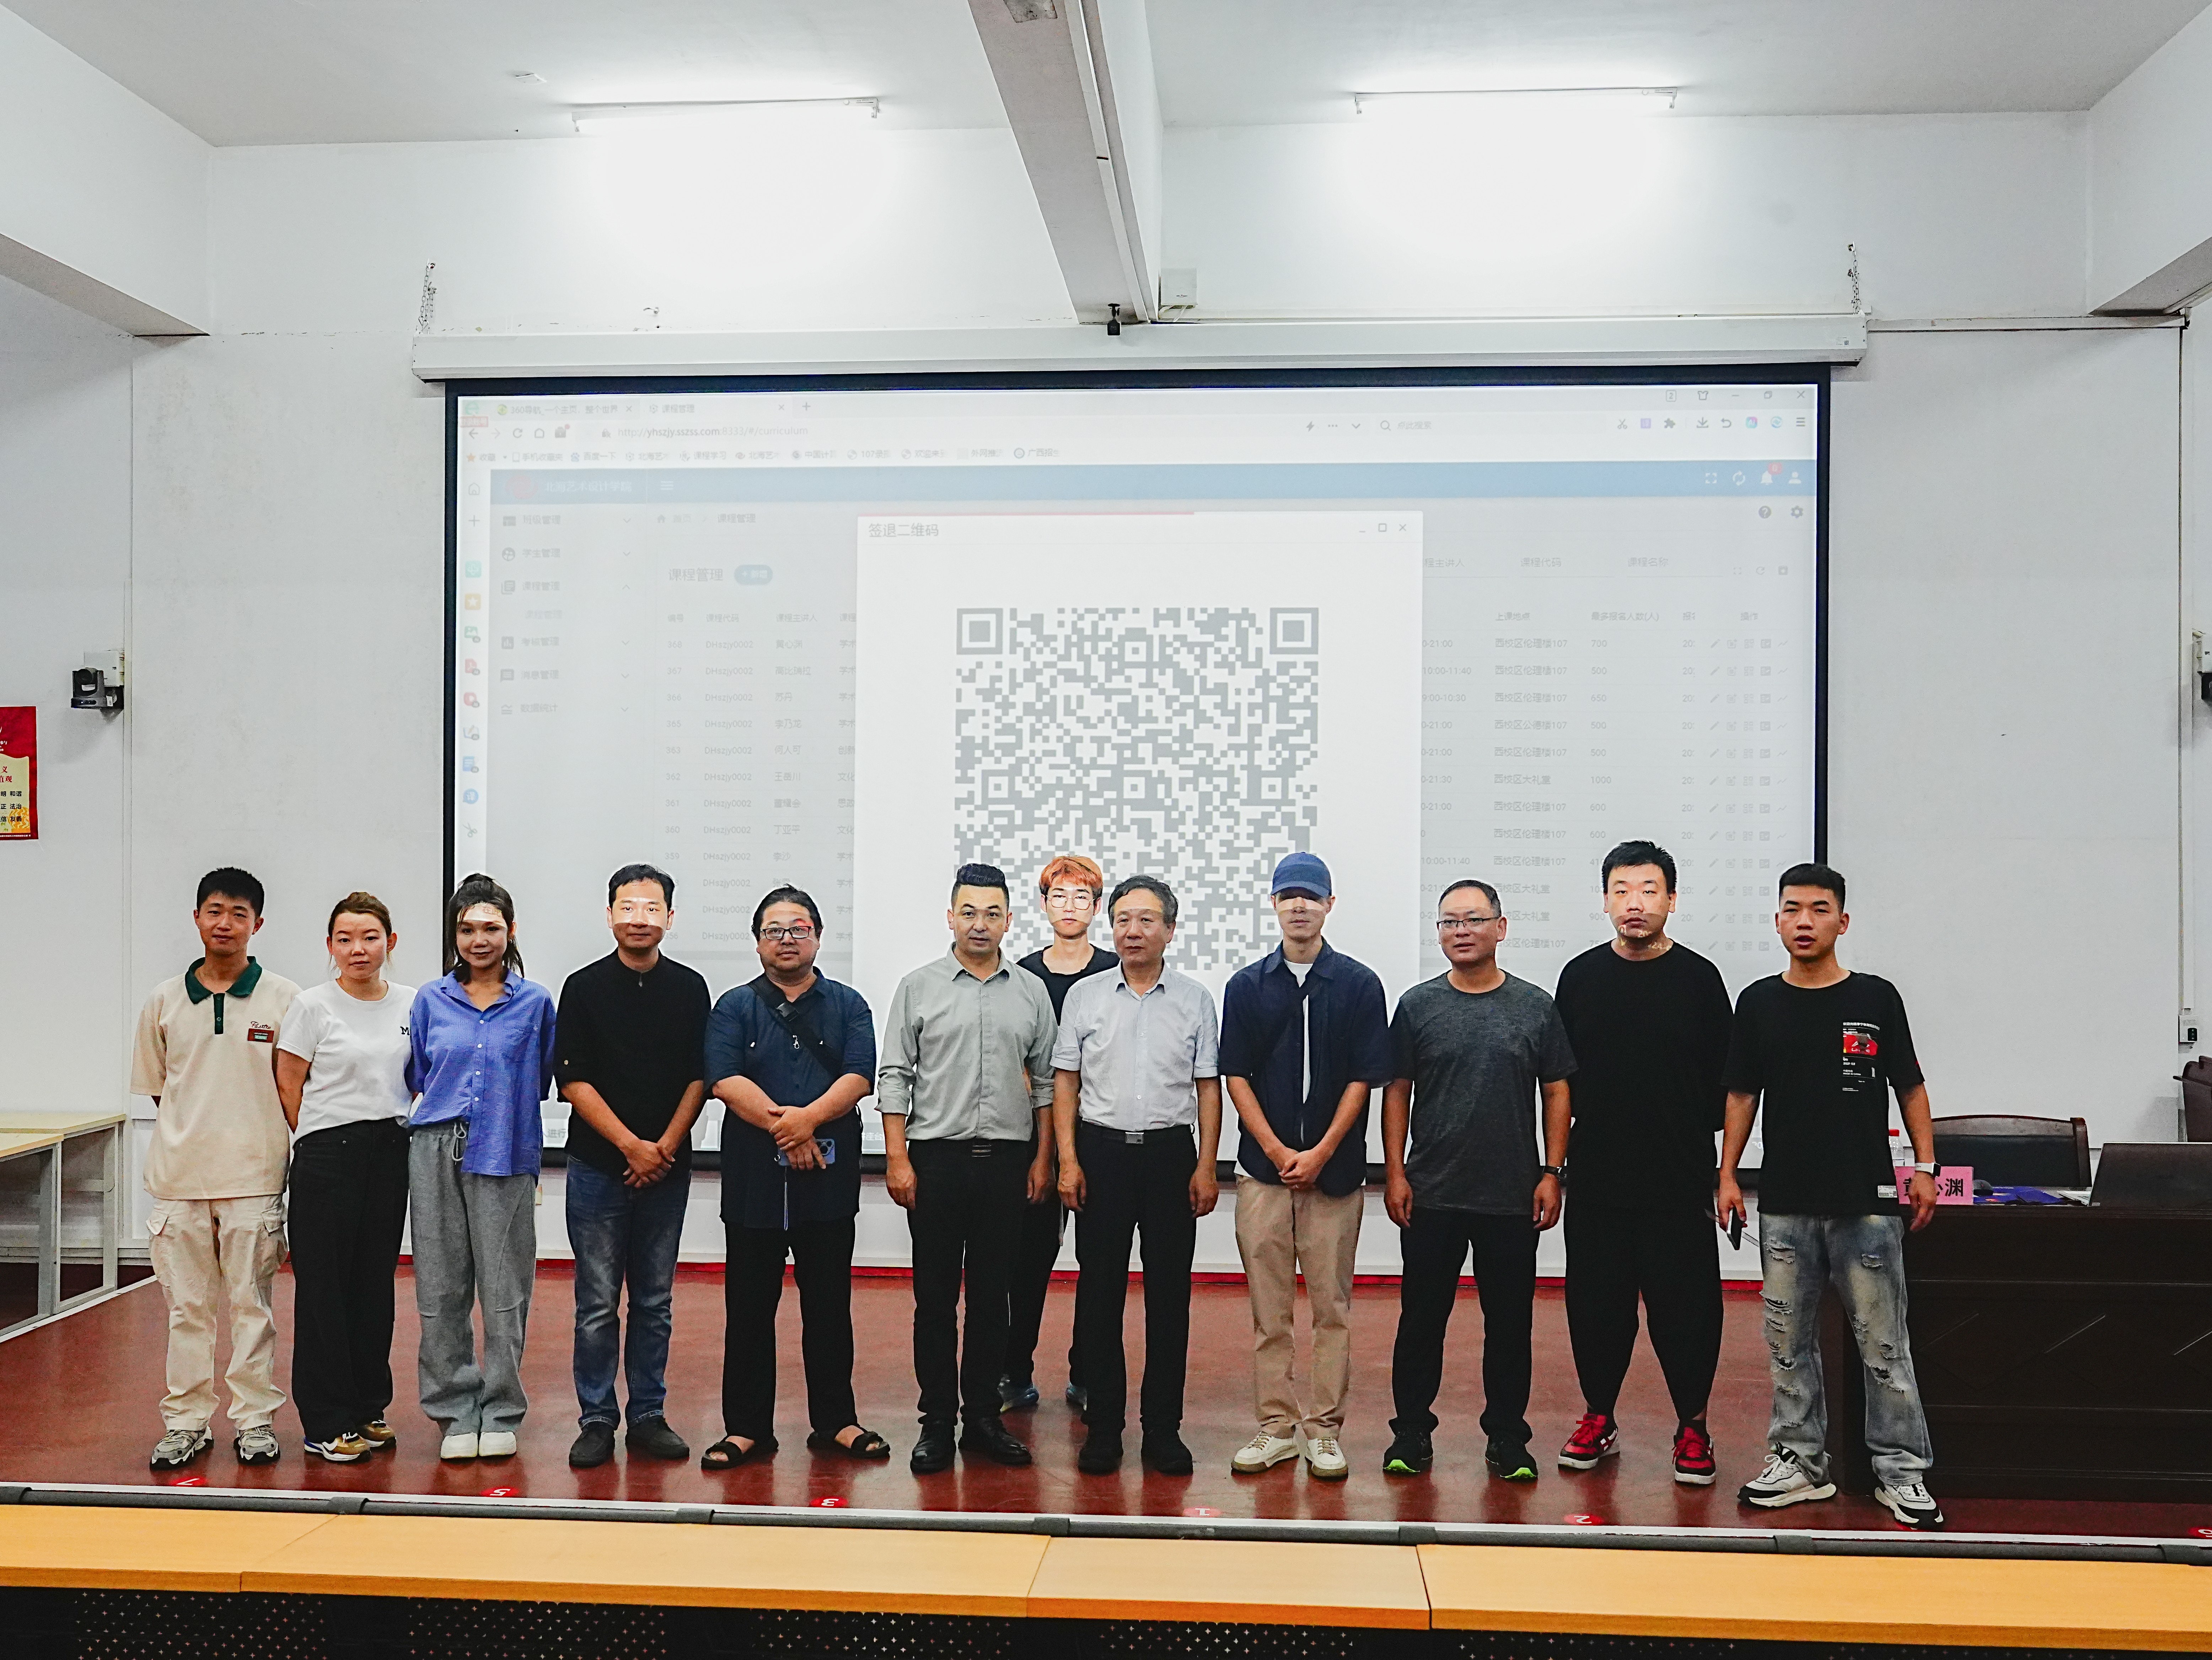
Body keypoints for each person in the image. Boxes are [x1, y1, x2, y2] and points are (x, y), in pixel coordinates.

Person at [1717, 862, 1945, 1530]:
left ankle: (1901, 1472)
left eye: (1820, 909)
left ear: (1842, 922)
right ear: (1777, 921)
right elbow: (1741, 1095)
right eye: (1793, 909)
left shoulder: (1876, 997)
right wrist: (1727, 1174)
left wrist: (1926, 1165)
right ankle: (1800, 1461)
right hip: (1785, 1203)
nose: (1805, 921)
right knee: (1787, 1345)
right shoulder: (1759, 1002)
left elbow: (1910, 1086)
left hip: (1866, 1203)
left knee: (1884, 1347)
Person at [1382, 878, 1575, 1483]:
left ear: (1501, 927)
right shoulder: (1417, 1006)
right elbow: (1397, 1092)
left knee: (1510, 1326)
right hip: (1432, 1193)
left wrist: (1552, 1172)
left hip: (1511, 1196)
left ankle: (1508, 1439)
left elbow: (1557, 1090)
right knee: (1421, 1322)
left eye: (1472, 919)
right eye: (1449, 922)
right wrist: (1395, 1172)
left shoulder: (1535, 1006)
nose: (1460, 931)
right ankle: (1411, 1433)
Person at [1552, 841, 1734, 1485]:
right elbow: (1560, 1083)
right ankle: (1599, 1416)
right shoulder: (1579, 977)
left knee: (1688, 1310)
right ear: (1605, 900)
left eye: (1650, 890)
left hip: (1679, 1179)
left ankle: (1694, 1426)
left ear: (1672, 901)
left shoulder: (1701, 980)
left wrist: (1721, 1170)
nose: (1635, 903)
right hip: (1598, 1177)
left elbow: (1727, 1086)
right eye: (1622, 890)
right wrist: (1553, 1168)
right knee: (1595, 1307)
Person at [878, 863, 1059, 1474]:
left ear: (1009, 921)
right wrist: (897, 1158)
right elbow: (895, 1076)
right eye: (969, 913)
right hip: (936, 1162)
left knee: (992, 1300)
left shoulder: (1031, 992)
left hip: (1008, 1164)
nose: (980, 924)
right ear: (951, 917)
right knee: (934, 1301)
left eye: (992, 914)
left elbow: (1046, 1086)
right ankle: (936, 1422)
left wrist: (1043, 1159)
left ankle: (983, 1418)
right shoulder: (919, 987)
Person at [701, 884, 887, 1468]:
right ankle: (746, 1428)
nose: (787, 939)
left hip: (829, 1175)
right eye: (774, 930)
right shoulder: (734, 1006)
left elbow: (859, 1076)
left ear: (819, 938)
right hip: (754, 1179)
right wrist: (791, 1130)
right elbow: (724, 1079)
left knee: (829, 1305)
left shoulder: (849, 1004)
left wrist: (808, 1121)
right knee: (749, 1308)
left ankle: (836, 1421)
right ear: (758, 943)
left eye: (799, 928)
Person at [1218, 852, 1390, 1482]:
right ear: (1273, 904)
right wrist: (1276, 1150)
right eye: (1288, 895)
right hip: (1262, 1176)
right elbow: (1236, 1075)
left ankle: (1323, 1432)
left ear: (1329, 905)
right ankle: (1276, 1427)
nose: (1299, 906)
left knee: (1331, 1310)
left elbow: (1364, 1078)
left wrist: (1320, 1153)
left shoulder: (1360, 985)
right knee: (1270, 1314)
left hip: (1335, 1177)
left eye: (1311, 896)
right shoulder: (1247, 986)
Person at [132, 869, 301, 1472]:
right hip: (180, 1182)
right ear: (197, 918)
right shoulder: (163, 1001)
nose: (225, 924)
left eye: (238, 914)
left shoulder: (285, 999)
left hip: (255, 1179)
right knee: (187, 1311)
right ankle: (186, 1422)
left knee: (252, 1308)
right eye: (214, 911)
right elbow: (162, 1090)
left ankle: (254, 1421)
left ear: (258, 924)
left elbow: (294, 1086)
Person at [1054, 874, 1223, 1477]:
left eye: (1147, 920)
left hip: (1170, 1157)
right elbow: (1066, 1082)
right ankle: (1104, 1429)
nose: (1133, 931)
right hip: (1101, 1155)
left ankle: (1163, 1430)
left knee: (1169, 1298)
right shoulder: (1086, 996)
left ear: (1170, 930)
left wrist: (1207, 1164)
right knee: (1099, 1297)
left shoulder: (1195, 999)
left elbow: (1208, 1087)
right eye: (1123, 919)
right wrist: (1068, 1160)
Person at [555, 863, 710, 1468]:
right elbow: (573, 1080)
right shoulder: (583, 987)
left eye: (651, 909)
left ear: (670, 917)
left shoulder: (691, 988)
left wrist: (662, 1148)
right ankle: (596, 1419)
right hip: (599, 1167)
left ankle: (648, 1414)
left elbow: (700, 1076)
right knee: (596, 1303)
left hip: (666, 1170)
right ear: (609, 915)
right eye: (628, 907)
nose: (639, 919)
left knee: (654, 1301)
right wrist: (631, 1147)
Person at [407, 873, 557, 1462]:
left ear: (510, 931)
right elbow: (421, 1074)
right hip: (434, 1150)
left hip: (506, 1147)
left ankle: (500, 1410)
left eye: (490, 928)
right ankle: (453, 1410)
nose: (479, 939)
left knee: (504, 1291)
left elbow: (540, 1077)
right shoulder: (430, 999)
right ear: (454, 935)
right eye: (467, 929)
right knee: (440, 1287)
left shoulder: (536, 1003)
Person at [274, 891, 414, 1464]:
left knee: (374, 1286)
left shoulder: (412, 1003)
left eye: (370, 937)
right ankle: (327, 1420)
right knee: (325, 1291)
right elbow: (289, 1086)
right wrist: (324, 1139)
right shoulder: (312, 1006)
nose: (359, 949)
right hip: (329, 1155)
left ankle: (367, 1407)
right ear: (330, 946)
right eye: (345, 939)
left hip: (391, 1152)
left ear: (390, 942)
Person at [1004, 853, 1116, 1416]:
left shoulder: (1117, 971)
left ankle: (1088, 1374)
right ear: (1043, 904)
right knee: (1027, 1262)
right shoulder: (1021, 975)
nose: (1070, 907)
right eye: (1059, 896)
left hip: (1100, 1132)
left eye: (1082, 897)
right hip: (1032, 1137)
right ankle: (1014, 1373)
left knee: (1099, 1264)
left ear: (1097, 907)